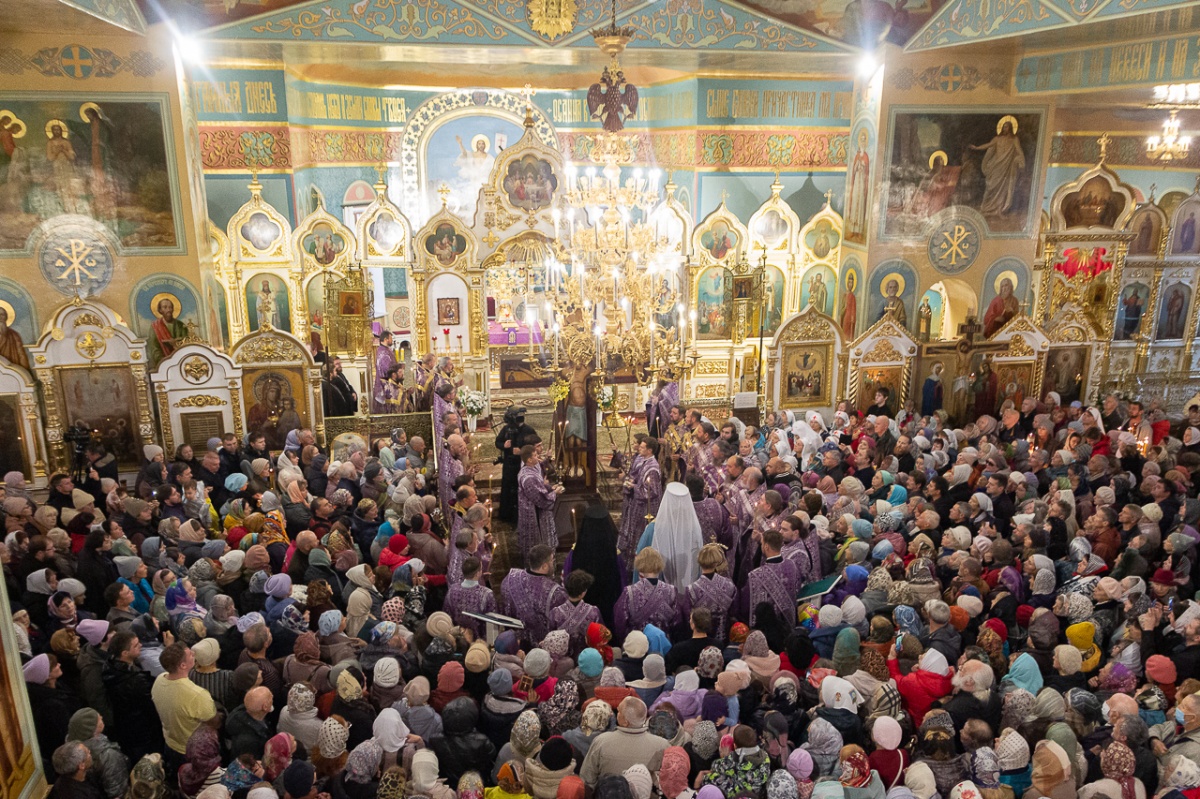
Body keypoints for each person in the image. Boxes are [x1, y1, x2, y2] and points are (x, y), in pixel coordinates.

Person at [517, 445, 562, 562]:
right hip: (534, 514)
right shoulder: (528, 478)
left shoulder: (530, 470)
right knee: (538, 544)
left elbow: (540, 485)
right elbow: (540, 498)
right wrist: (554, 493)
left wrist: (549, 487)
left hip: (534, 510)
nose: (538, 457)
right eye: (535, 455)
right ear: (529, 460)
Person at [495, 407, 536, 524]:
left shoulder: (528, 430)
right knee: (507, 488)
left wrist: (522, 451)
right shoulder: (506, 429)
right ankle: (506, 515)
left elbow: (534, 446)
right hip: (509, 464)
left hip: (522, 464)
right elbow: (497, 442)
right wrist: (504, 445)